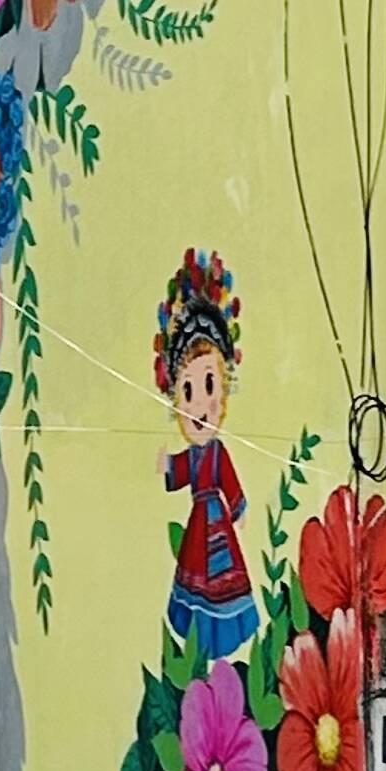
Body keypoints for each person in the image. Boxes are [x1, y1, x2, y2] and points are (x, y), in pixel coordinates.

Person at [153, 248, 258, 659]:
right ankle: (202, 644)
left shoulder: (216, 452)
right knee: (196, 586)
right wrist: (167, 466)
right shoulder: (196, 456)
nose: (199, 405)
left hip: (216, 524)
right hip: (200, 525)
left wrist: (238, 507)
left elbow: (229, 480)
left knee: (223, 587)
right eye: (188, 391)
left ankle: (223, 643)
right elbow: (180, 473)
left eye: (209, 386)